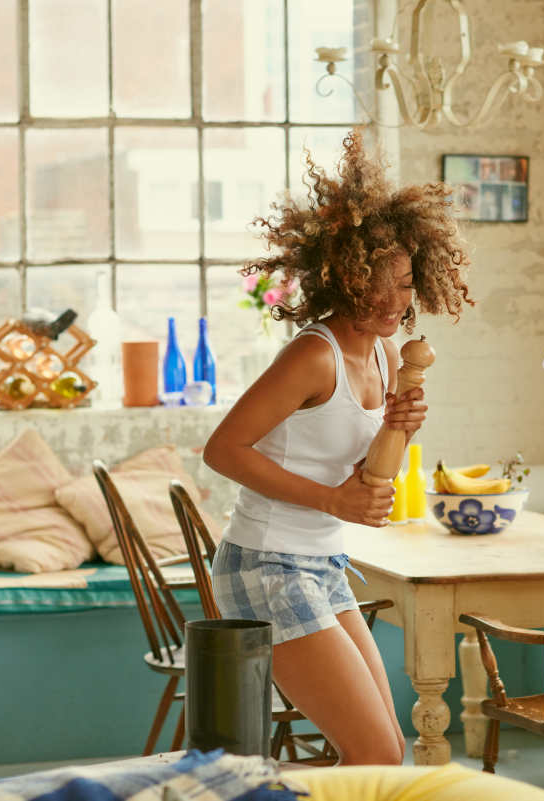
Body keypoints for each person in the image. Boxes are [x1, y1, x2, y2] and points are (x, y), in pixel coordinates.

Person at [202, 129, 472, 765]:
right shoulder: (311, 355)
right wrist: (334, 501)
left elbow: (366, 476)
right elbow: (223, 451)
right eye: (377, 283)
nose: (392, 301)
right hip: (267, 564)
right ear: (343, 278)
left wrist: (399, 427)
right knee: (374, 754)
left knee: (385, 753)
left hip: (321, 562)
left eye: (405, 285)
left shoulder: (383, 353)